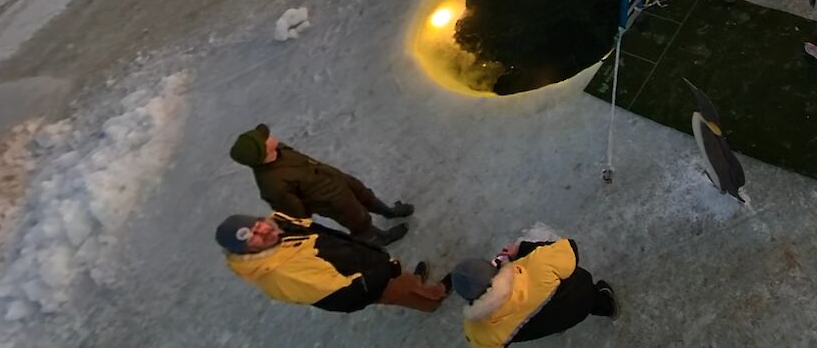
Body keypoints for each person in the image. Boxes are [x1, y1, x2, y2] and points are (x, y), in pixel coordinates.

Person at [217, 212, 446, 313]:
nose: (264, 231)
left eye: (258, 225)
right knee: (401, 291)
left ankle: (415, 285)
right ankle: (432, 298)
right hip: (373, 279)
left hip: (367, 261)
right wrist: (386, 271)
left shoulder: (280, 229)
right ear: (245, 251)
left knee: (405, 283)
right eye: (254, 237)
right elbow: (343, 296)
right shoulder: (281, 275)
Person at [229, 123, 414, 246]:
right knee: (358, 220)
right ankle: (378, 238)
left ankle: (389, 212)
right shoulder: (272, 185)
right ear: (263, 152)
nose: (269, 135)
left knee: (365, 195)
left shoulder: (279, 149)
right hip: (330, 201)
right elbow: (296, 213)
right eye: (265, 138)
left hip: (336, 179)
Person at [449, 238, 616, 347]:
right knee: (591, 297)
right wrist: (522, 249)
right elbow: (569, 247)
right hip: (582, 299)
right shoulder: (536, 264)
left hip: (554, 324)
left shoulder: (477, 330)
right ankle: (607, 306)